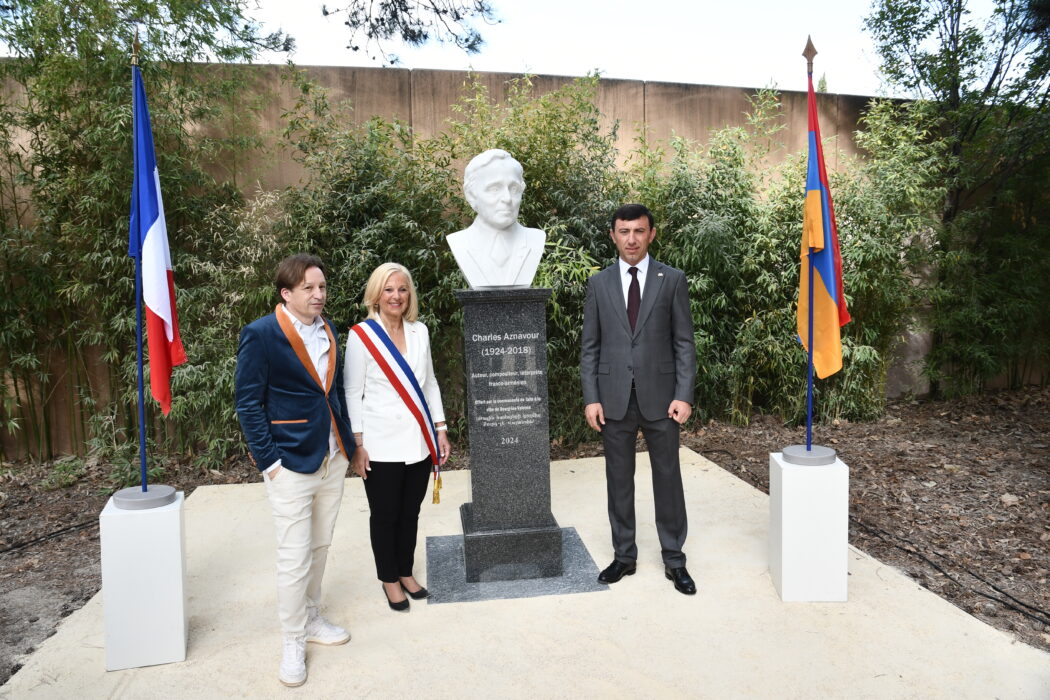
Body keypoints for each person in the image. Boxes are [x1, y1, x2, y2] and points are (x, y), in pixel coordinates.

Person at [235, 253, 356, 687]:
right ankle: (291, 640)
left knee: (320, 546)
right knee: (293, 556)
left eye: (322, 287)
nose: (319, 295)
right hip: (290, 462)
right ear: (287, 293)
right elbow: (248, 403)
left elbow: (334, 392)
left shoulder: (329, 329)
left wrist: (349, 447)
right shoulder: (261, 334)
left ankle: (311, 617)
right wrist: (270, 463)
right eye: (309, 288)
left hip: (332, 459)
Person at [580, 204, 699, 595]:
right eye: (624, 231)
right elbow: (590, 348)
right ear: (613, 235)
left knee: (667, 477)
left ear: (651, 234)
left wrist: (684, 394)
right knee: (619, 479)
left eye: (639, 231)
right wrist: (591, 397)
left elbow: (684, 343)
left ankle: (674, 559)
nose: (631, 238)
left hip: (662, 399)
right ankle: (624, 556)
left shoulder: (672, 280)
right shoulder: (599, 284)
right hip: (613, 399)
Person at [344, 262, 451, 612]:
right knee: (385, 514)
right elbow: (351, 392)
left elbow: (430, 382)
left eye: (402, 289)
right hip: (380, 444)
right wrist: (357, 445)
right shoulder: (362, 335)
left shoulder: (420, 332)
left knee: (410, 513)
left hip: (419, 440)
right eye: (389, 289)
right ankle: (389, 578)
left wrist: (440, 428)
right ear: (376, 294)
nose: (396, 296)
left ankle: (405, 571)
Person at [446, 149, 546, 288]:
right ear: (471, 195)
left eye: (514, 189)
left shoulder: (536, 239)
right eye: (494, 189)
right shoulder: (459, 242)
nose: (507, 198)